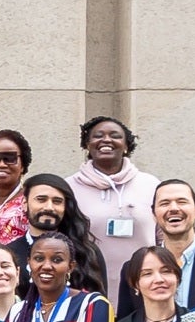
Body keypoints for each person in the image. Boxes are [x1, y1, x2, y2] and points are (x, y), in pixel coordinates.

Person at [68, 116, 159, 284]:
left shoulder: (151, 185)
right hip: (87, 283)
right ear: (87, 145)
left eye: (115, 136)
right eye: (98, 135)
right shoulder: (69, 187)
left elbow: (163, 236)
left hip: (144, 283)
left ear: (126, 146)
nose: (106, 139)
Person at [123, 178, 195, 319]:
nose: (173, 208)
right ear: (154, 215)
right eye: (165, 203)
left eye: (182, 202)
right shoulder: (134, 267)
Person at [9, 173, 108, 295]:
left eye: (57, 201)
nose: (49, 207)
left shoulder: (86, 252)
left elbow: (100, 304)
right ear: (25, 204)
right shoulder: (9, 253)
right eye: (41, 200)